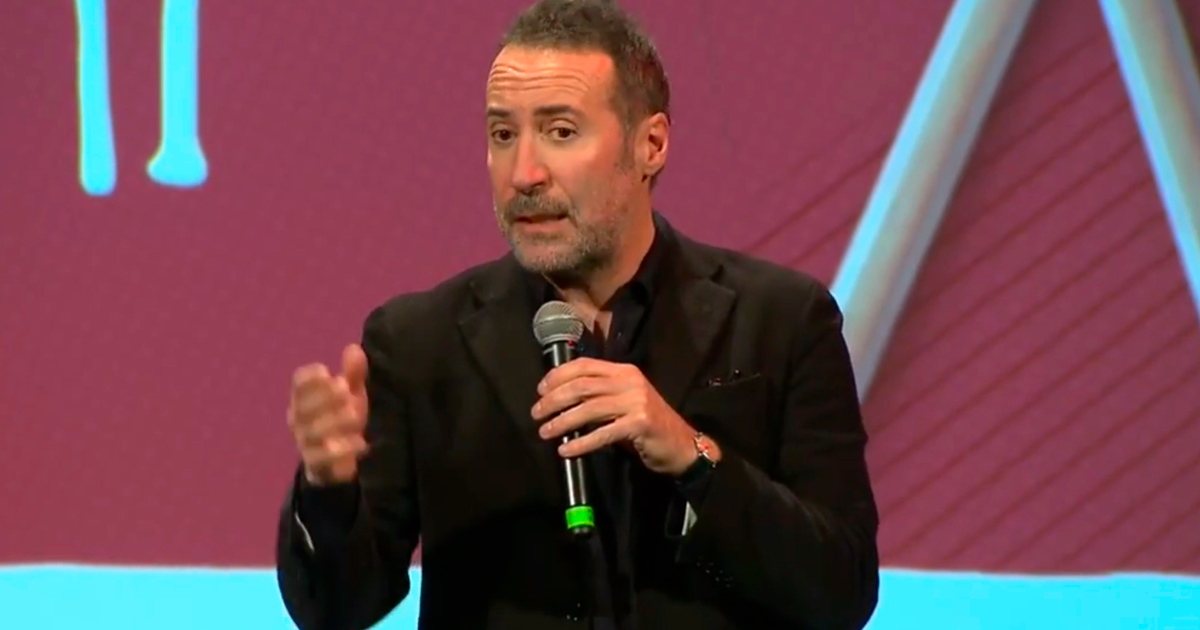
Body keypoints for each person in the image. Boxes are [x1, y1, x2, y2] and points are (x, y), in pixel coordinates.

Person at [275, 1, 880, 628]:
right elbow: (337, 609)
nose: (524, 174)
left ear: (650, 144)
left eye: (560, 132)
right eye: (503, 135)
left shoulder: (782, 321)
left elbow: (842, 592)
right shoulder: (418, 343)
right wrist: (328, 489)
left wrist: (694, 456)